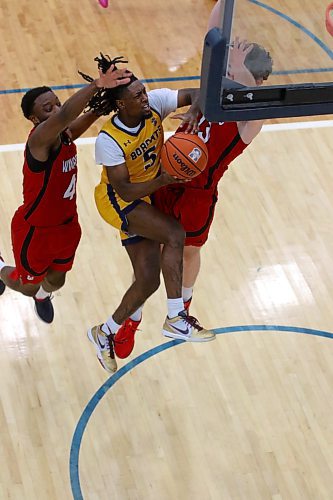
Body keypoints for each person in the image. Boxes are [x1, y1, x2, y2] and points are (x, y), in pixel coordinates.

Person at [80, 54, 215, 374]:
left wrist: (195, 107)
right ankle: (175, 318)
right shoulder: (108, 140)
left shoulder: (154, 103)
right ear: (121, 105)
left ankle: (105, 333)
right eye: (137, 95)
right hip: (119, 202)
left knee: (147, 280)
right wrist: (166, 178)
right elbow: (125, 191)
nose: (145, 97)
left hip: (145, 195)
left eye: (143, 91)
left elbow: (197, 92)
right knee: (175, 233)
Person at [0, 63, 132, 323]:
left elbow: (71, 127)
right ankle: (2, 269)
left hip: (67, 227)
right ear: (35, 120)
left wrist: (97, 110)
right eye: (48, 109)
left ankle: (42, 296)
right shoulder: (38, 141)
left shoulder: (64, 136)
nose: (58, 111)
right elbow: (64, 119)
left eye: (58, 104)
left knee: (56, 281)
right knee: (27, 286)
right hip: (36, 232)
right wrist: (97, 85)